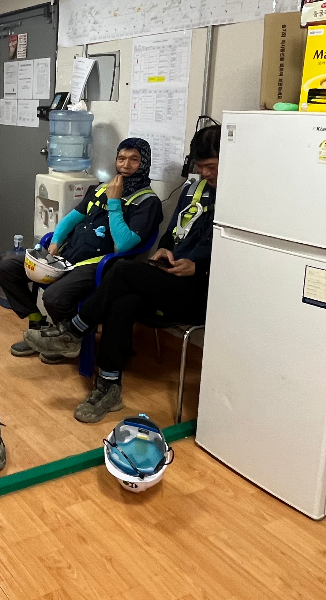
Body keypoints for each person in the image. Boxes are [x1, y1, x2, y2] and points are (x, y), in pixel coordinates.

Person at [23, 125, 220, 423]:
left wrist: (199, 265)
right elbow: (171, 232)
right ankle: (109, 386)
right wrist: (164, 250)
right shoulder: (193, 189)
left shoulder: (238, 199)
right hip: (171, 278)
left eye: (211, 166)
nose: (204, 172)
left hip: (203, 288)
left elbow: (237, 253)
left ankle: (74, 330)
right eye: (200, 166)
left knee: (122, 269)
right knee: (121, 301)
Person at [0, 139, 163, 359]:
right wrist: (56, 241)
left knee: (55, 298)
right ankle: (39, 324)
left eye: (134, 160)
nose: (125, 165)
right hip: (69, 254)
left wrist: (114, 201)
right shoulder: (100, 188)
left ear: (144, 163)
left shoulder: (148, 202)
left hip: (99, 265)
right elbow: (72, 218)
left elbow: (124, 244)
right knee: (8, 268)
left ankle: (66, 340)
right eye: (121, 158)